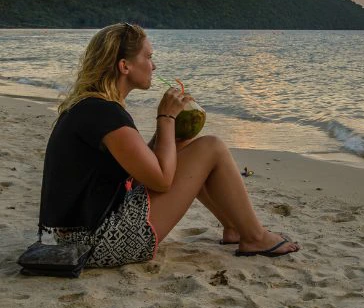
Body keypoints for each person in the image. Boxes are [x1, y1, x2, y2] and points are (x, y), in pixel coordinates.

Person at [38, 22, 299, 267]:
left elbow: (138, 172)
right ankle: (253, 236)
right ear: (124, 66)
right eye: (148, 57)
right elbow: (161, 181)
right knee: (212, 147)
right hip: (93, 242)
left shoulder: (91, 108)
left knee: (187, 148)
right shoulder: (105, 114)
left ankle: (233, 227)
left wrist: (173, 136)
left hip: (67, 238)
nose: (154, 66)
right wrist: (166, 117)